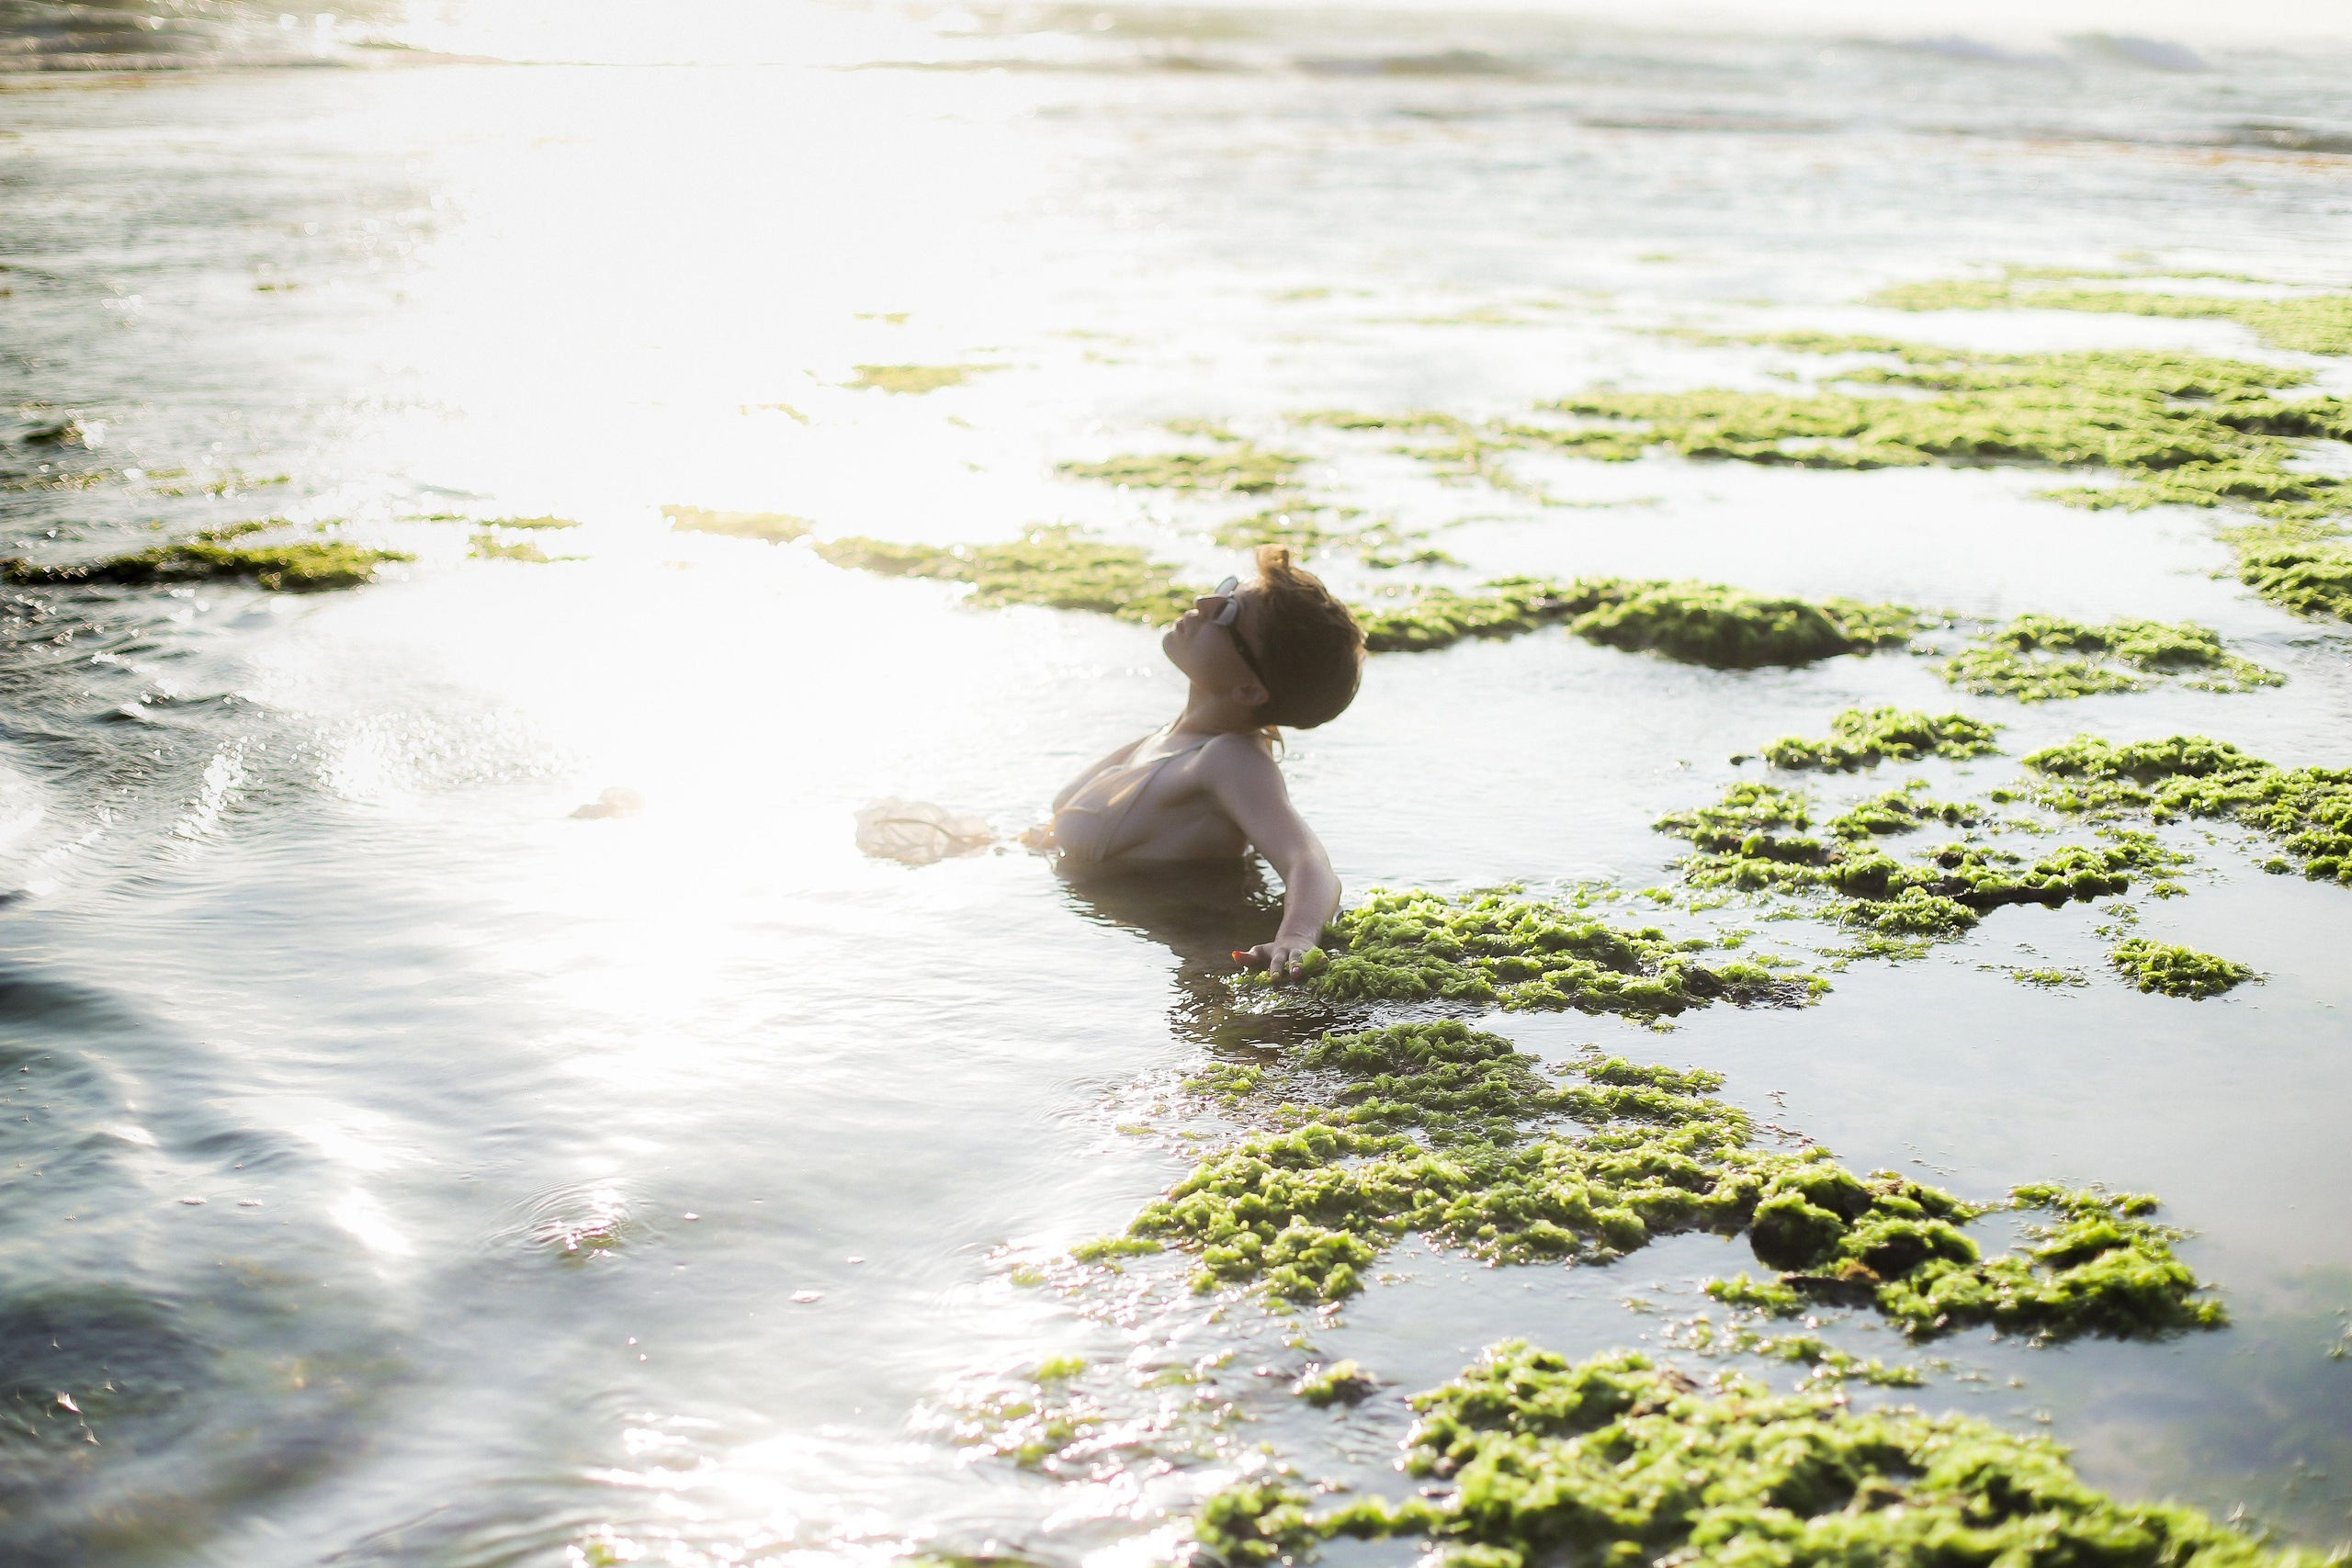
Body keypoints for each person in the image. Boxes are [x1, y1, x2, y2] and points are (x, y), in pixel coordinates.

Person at [1037, 545, 1365, 982]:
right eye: (1223, 591)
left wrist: (1298, 938)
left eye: (1228, 613)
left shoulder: (1229, 758)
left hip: (1194, 958)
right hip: (1096, 948)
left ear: (1250, 691)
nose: (1204, 604)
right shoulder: (1174, 734)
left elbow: (1309, 861)